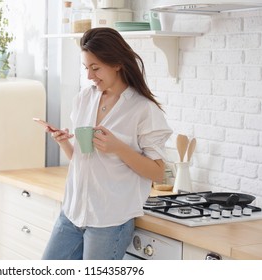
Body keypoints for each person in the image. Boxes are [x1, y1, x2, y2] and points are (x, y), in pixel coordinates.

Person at [42, 27, 172, 260]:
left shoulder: (143, 109)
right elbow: (84, 160)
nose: (90, 76)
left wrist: (119, 148)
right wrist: (63, 143)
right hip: (72, 212)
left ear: (117, 64)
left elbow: (158, 173)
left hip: (109, 221)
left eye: (95, 68)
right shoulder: (84, 98)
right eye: (86, 68)